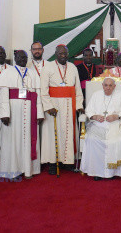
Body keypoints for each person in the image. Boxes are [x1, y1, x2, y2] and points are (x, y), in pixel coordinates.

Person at [0, 50, 44, 180]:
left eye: (25, 57)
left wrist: (39, 113)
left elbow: (37, 95)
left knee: (29, 139)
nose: (22, 59)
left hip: (30, 111)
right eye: (20, 57)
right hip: (13, 111)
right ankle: (13, 170)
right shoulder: (7, 72)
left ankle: (28, 169)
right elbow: (3, 95)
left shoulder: (33, 73)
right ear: (15, 58)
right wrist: (4, 113)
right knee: (13, 140)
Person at [40, 44, 84, 174]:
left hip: (70, 105)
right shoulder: (47, 67)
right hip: (54, 106)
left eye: (65, 54)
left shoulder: (72, 67)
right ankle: (53, 162)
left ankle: (67, 161)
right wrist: (48, 107)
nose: (63, 56)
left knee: (68, 132)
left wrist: (79, 105)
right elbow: (43, 90)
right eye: (60, 54)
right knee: (53, 134)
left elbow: (77, 89)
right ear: (56, 54)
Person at [80, 78, 121, 180]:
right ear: (102, 85)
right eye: (106, 85)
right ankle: (97, 171)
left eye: (110, 85)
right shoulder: (96, 95)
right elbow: (88, 111)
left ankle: (113, 172)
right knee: (93, 139)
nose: (108, 88)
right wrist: (95, 116)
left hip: (115, 124)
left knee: (115, 140)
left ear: (114, 86)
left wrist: (116, 116)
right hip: (97, 125)